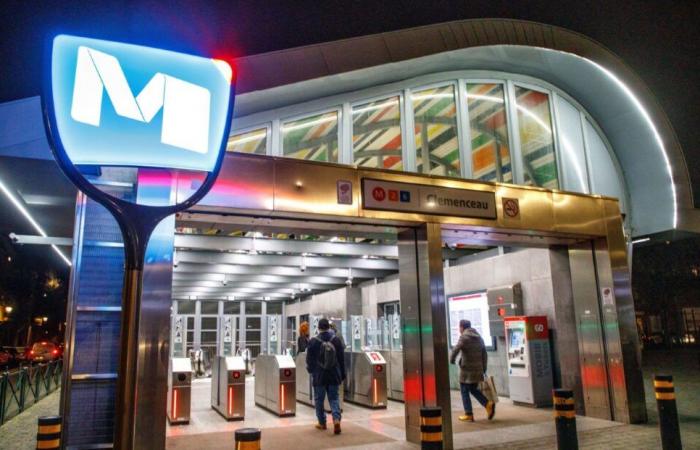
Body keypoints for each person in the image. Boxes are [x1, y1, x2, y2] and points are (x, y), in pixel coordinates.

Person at [449, 319, 495, 422]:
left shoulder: (464, 337)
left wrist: (452, 360)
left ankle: (469, 413)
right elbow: (484, 354)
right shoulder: (479, 337)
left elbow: (456, 349)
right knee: (473, 389)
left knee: (464, 389)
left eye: (459, 327)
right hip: (478, 369)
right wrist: (483, 368)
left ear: (462, 327)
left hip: (467, 370)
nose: (459, 329)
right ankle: (488, 404)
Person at [306, 318, 346, 434]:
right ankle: (336, 419)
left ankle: (322, 423)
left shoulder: (313, 341)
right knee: (334, 398)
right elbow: (341, 359)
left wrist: (311, 370)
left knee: (319, 400)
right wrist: (342, 374)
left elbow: (309, 360)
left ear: (318, 328)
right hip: (333, 375)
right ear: (328, 327)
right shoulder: (336, 340)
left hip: (319, 376)